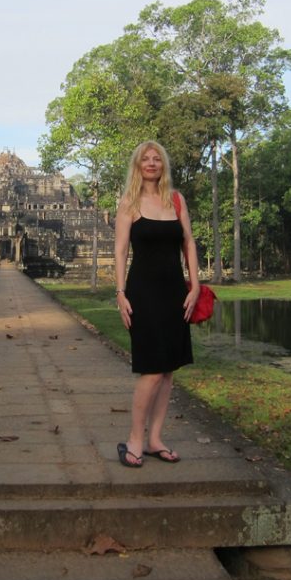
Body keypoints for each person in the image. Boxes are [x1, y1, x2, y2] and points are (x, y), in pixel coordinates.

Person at [113, 140, 200, 468]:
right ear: (138, 166)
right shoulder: (129, 202)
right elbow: (121, 251)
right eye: (145, 159)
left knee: (167, 370)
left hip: (175, 291)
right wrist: (120, 293)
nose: (151, 163)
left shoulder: (176, 200)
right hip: (143, 291)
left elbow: (188, 242)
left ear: (163, 165)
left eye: (157, 159)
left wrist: (196, 284)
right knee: (151, 369)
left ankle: (154, 438)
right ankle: (134, 438)